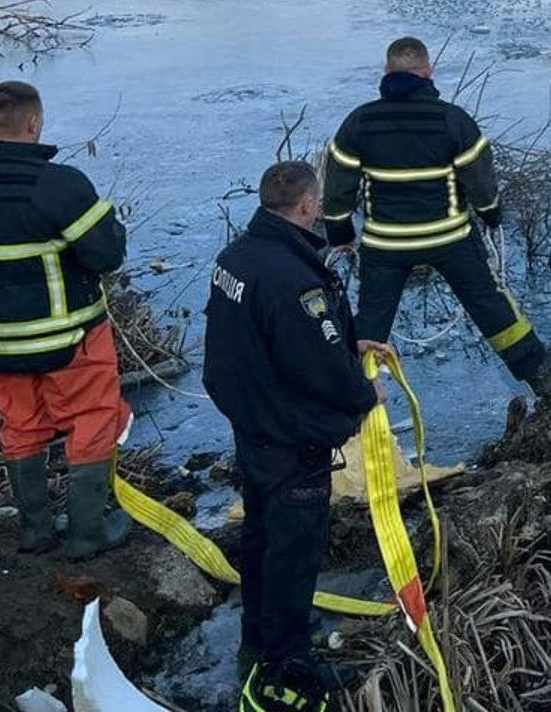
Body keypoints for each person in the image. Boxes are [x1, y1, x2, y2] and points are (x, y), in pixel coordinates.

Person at [204, 161, 379, 709]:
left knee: (259, 534)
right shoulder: (295, 279)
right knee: (293, 549)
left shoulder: (235, 257)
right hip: (290, 434)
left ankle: (256, 638)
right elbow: (318, 363)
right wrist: (362, 393)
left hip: (251, 421)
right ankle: (287, 660)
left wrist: (349, 347)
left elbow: (263, 340)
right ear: (307, 206)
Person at [0, 81, 132, 559]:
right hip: (70, 335)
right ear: (34, 123)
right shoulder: (58, 184)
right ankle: (88, 532)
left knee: (21, 425)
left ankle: (34, 529)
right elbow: (106, 254)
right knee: (91, 421)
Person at [322, 37, 551, 391]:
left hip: (385, 243)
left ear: (386, 71)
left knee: (372, 321)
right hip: (449, 237)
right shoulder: (452, 120)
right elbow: (480, 179)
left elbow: (338, 181)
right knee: (489, 303)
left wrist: (339, 232)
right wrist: (490, 214)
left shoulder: (359, 122)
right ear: (428, 71)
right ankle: (537, 370)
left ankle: (345, 391)